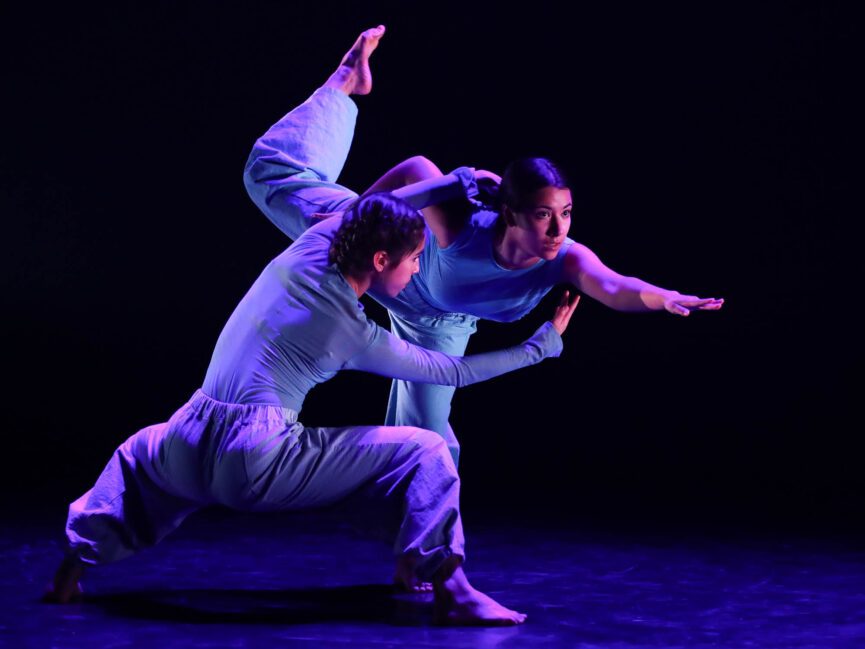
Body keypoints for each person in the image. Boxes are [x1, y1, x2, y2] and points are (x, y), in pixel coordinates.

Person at [44, 27, 581, 626]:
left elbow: (367, 210)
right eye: (409, 264)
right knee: (427, 449)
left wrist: (452, 182)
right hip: (258, 461)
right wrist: (540, 347)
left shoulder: (317, 244)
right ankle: (453, 589)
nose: (412, 276)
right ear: (380, 261)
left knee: (135, 452)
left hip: (187, 439)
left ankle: (71, 572)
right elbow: (451, 368)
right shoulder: (353, 330)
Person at [243, 26, 724, 468]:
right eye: (543, 215)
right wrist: (361, 221)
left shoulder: (566, 259)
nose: (558, 228)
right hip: (388, 262)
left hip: (440, 325)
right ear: (512, 215)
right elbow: (416, 169)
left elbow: (615, 287)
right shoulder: (464, 221)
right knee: (268, 173)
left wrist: (666, 298)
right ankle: (346, 82)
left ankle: (424, 539)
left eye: (567, 213)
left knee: (426, 436)